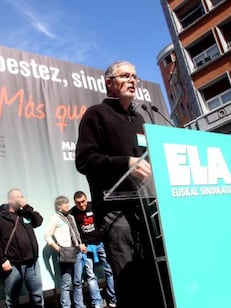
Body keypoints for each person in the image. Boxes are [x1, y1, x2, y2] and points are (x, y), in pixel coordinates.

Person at [75, 61, 161, 307]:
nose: (133, 80)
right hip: (114, 211)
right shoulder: (96, 114)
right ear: (109, 82)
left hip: (144, 208)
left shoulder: (139, 118)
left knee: (152, 272)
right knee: (128, 278)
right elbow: (84, 160)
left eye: (135, 76)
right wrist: (126, 163)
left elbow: (146, 158)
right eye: (125, 76)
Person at [0, 188, 44, 307]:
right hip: (13, 265)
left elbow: (38, 221)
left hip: (32, 264)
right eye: (18, 197)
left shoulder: (26, 214)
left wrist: (27, 207)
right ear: (10, 200)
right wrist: (3, 260)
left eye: (22, 196)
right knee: (12, 300)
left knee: (37, 297)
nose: (21, 199)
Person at [70, 191, 117, 308]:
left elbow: (103, 222)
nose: (81, 205)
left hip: (100, 243)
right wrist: (79, 244)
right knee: (91, 275)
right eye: (78, 203)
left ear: (86, 199)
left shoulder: (93, 206)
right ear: (74, 202)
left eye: (83, 201)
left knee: (109, 271)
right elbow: (72, 231)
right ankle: (97, 302)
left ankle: (113, 299)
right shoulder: (73, 213)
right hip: (86, 247)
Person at [44, 195, 87, 308]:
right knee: (66, 283)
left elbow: (75, 233)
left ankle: (79, 305)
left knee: (77, 281)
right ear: (59, 206)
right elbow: (47, 235)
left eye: (68, 203)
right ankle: (66, 306)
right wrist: (57, 247)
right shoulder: (55, 218)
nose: (68, 205)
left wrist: (80, 244)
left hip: (76, 251)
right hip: (66, 253)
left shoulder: (71, 217)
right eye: (65, 203)